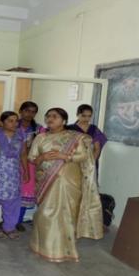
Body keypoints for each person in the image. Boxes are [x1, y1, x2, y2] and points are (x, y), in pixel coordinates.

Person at [28, 107, 103, 262]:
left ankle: (66, 250)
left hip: (70, 180)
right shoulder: (40, 138)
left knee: (67, 214)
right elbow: (32, 158)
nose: (50, 119)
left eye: (54, 116)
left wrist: (65, 156)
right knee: (44, 214)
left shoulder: (76, 137)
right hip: (46, 180)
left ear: (64, 121)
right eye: (48, 116)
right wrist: (41, 158)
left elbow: (84, 156)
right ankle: (43, 247)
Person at [0, 111, 28, 240]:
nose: (14, 123)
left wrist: (26, 171)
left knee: (12, 202)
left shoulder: (21, 134)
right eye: (10, 121)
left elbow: (23, 154)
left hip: (13, 174)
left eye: (16, 121)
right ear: (2, 123)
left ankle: (9, 227)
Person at [16, 101, 45, 232]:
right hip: (12, 163)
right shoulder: (13, 125)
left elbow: (43, 146)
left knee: (25, 192)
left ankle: (18, 221)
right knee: (11, 193)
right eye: (27, 110)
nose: (30, 114)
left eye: (33, 111)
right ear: (20, 111)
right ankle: (7, 220)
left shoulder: (39, 129)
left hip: (31, 165)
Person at [67, 104, 107, 176]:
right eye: (83, 116)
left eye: (89, 116)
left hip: (90, 161)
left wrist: (91, 163)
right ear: (77, 115)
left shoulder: (94, 129)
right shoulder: (70, 129)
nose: (86, 119)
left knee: (89, 184)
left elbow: (97, 148)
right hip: (74, 160)